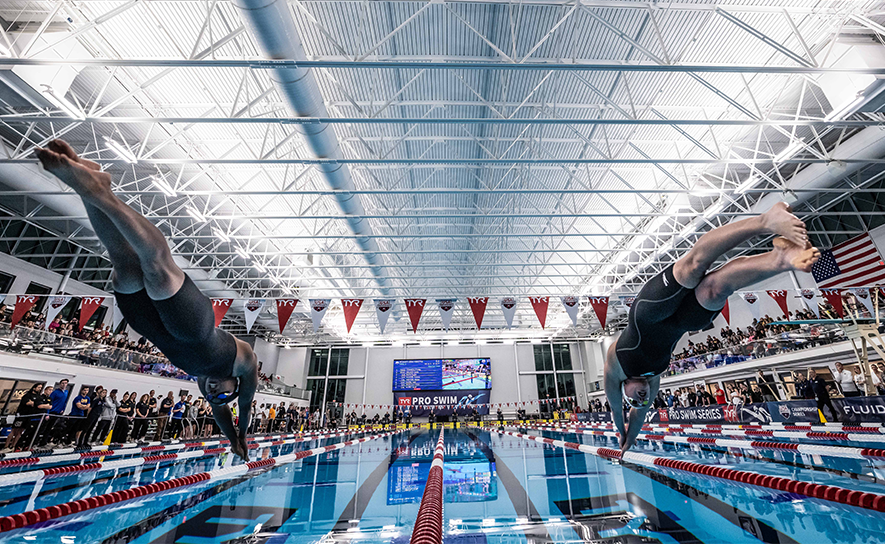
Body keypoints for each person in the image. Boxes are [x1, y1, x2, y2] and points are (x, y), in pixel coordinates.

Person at [36, 140, 259, 460]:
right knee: (156, 264)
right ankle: (100, 192)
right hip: (194, 326)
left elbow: (220, 412)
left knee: (123, 263)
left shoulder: (207, 389)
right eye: (224, 395)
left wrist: (232, 443)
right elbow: (245, 406)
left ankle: (88, 184)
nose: (214, 394)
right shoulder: (243, 362)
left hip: (147, 324)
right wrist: (243, 434)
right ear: (235, 386)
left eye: (214, 399)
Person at [604, 202, 819, 451]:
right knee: (717, 287)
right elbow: (640, 416)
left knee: (693, 266)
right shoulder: (652, 382)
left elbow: (619, 411)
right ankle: (780, 259)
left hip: (649, 312)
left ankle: (766, 221)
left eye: (634, 400)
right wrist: (631, 441)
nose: (640, 400)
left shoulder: (615, 370)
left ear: (623, 390)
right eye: (644, 401)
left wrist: (622, 433)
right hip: (684, 323)